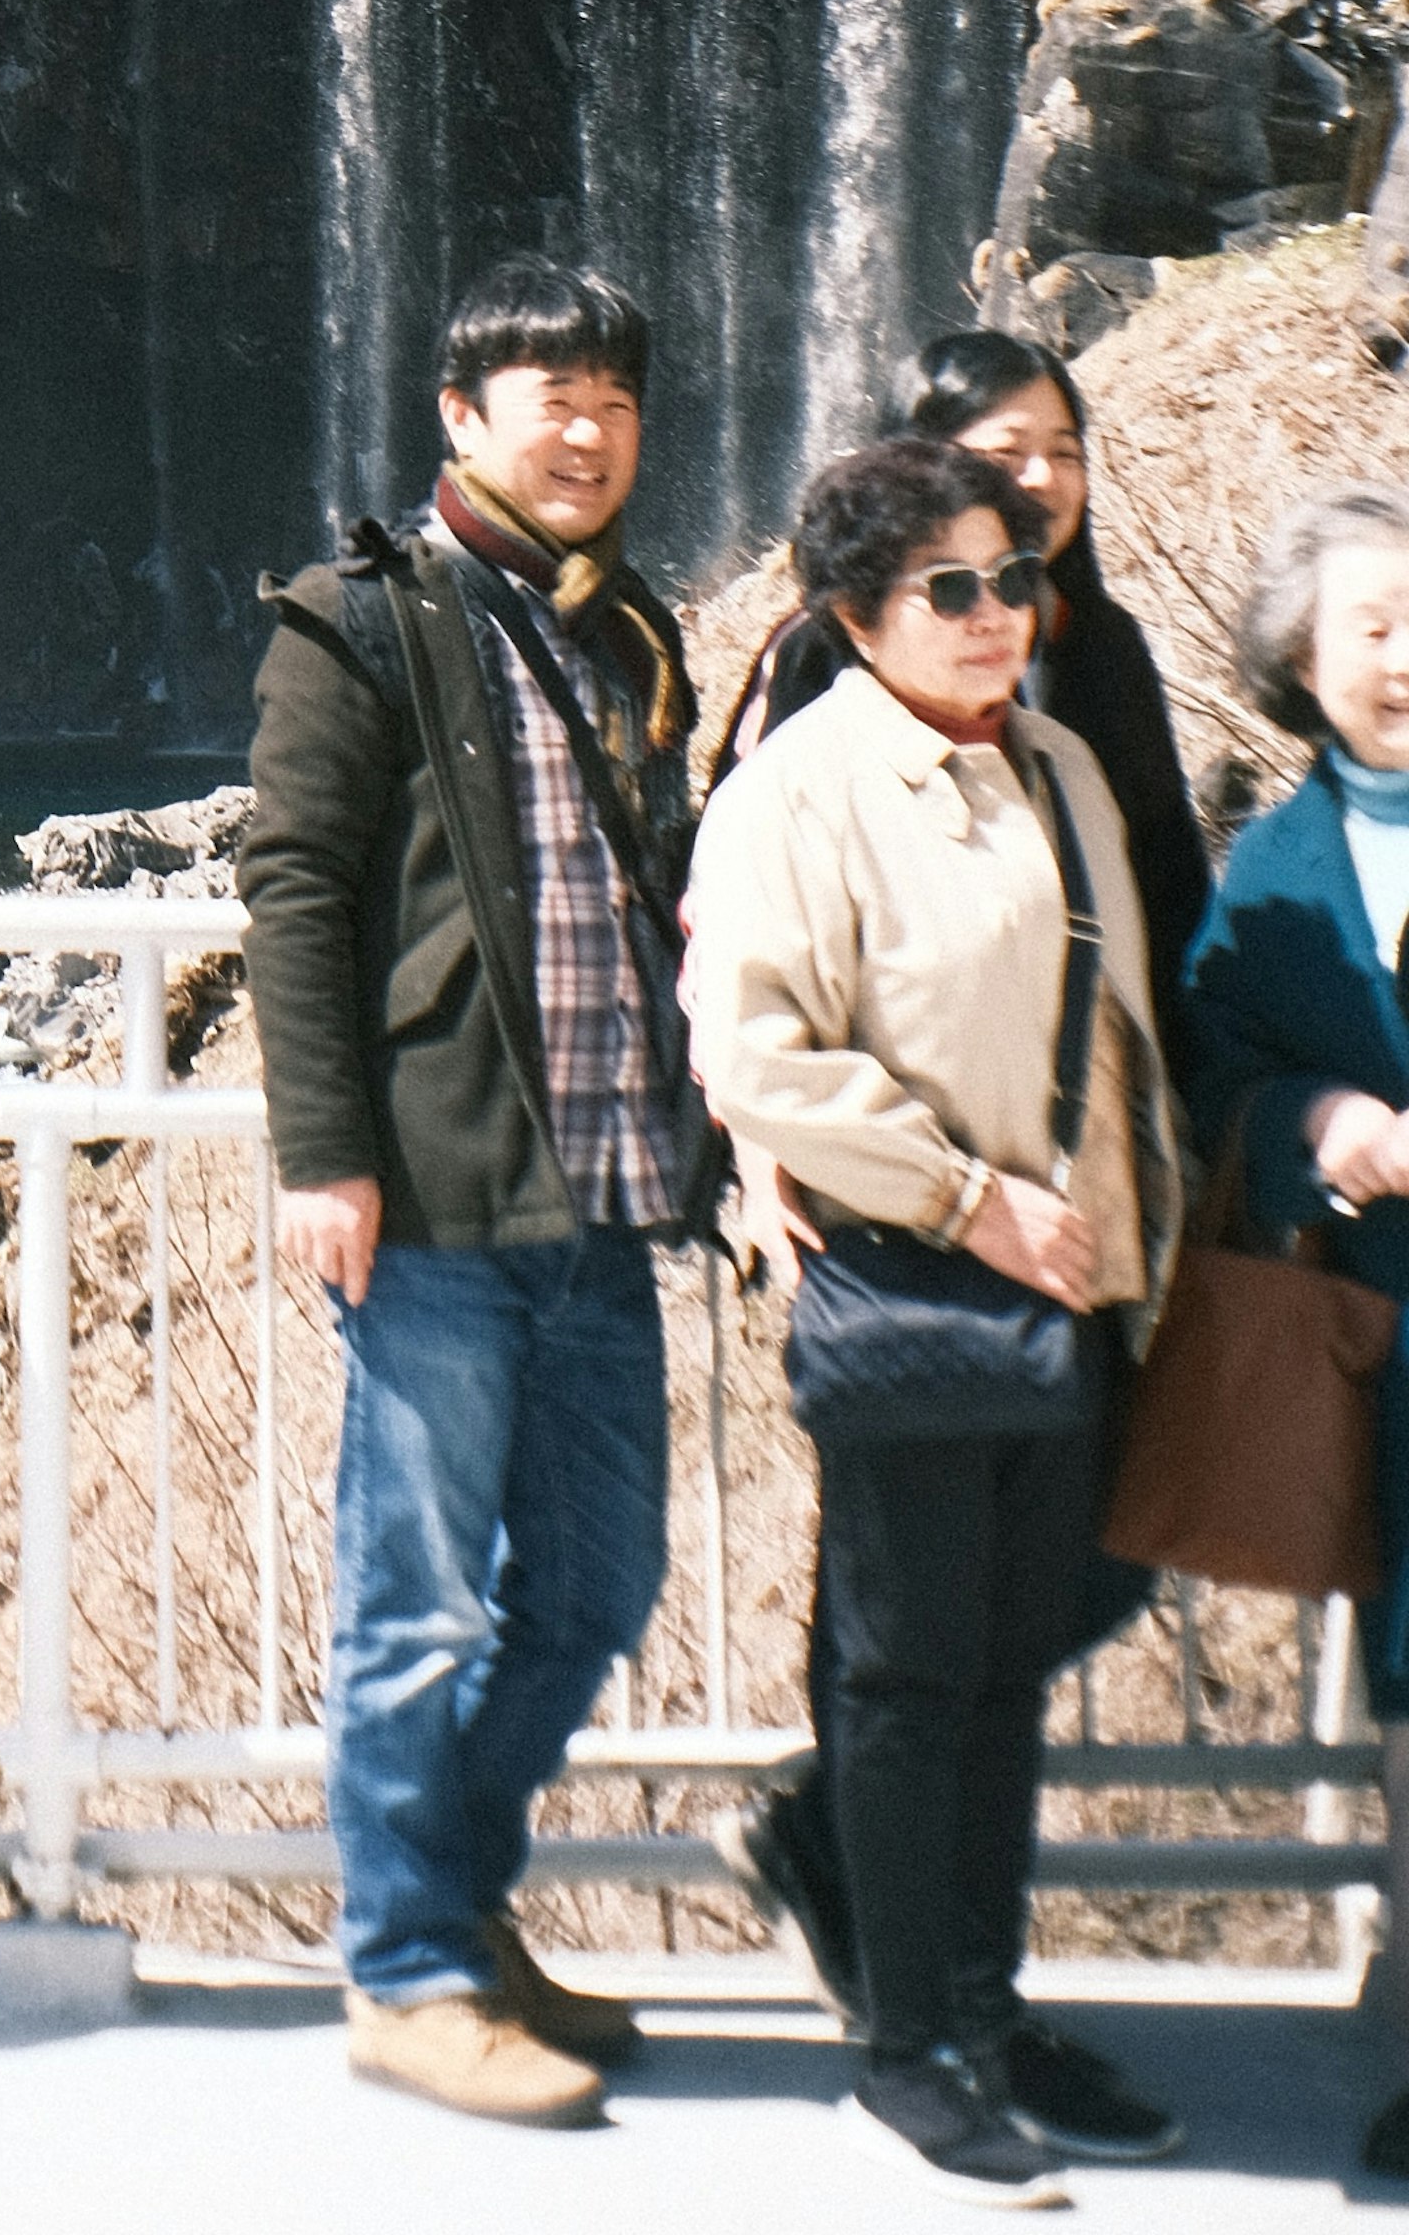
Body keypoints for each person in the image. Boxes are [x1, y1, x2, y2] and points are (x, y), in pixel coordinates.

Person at [239, 255, 715, 2129]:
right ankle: (410, 1969)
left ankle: (454, 1899)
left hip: (605, 1194)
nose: (587, 428)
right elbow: (293, 890)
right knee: (417, 1604)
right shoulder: (358, 619)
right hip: (434, 1198)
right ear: (461, 416)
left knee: (600, 1584)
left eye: (613, 397)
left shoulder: (630, 630)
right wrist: (321, 1155)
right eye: (548, 393)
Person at [687, 430, 1183, 2203]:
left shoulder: (1057, 763)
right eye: (949, 590)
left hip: (1082, 1289)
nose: (995, 616)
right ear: (855, 614)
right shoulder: (801, 793)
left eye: (1014, 581)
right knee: (906, 1681)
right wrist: (972, 1200)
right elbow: (752, 1053)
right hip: (929, 1278)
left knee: (1005, 1677)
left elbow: (1115, 1031)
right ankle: (908, 2046)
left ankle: (986, 2006)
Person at [1179, 476, 1409, 2186]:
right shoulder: (1273, 865)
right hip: (1387, 1331)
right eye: (1374, 629)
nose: (1405, 659)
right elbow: (1214, 1068)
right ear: (1303, 662)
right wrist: (1311, 1122)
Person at [715, 323, 1209, 1054]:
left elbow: (1168, 878)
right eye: (1007, 453)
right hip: (894, 1083)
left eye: (1065, 453)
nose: (1041, 478)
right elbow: (746, 910)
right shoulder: (827, 645)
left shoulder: (1100, 643)